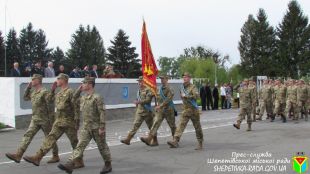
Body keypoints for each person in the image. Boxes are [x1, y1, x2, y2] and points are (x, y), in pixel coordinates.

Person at [22, 73, 83, 168]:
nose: (56, 81)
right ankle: (38, 157)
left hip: (69, 122)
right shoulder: (58, 93)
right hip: (58, 121)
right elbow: (50, 100)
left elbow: (76, 107)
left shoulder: (71, 92)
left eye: (58, 79)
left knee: (74, 143)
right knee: (50, 138)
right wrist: (53, 89)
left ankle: (79, 161)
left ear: (64, 80)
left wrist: (77, 121)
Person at [58, 77, 112, 174]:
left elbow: (102, 112)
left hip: (96, 127)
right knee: (80, 146)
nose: (82, 85)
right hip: (86, 127)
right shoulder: (83, 98)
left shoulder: (97, 97)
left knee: (102, 147)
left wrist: (102, 127)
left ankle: (108, 164)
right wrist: (79, 89)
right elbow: (73, 99)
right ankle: (70, 164)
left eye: (84, 83)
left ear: (90, 85)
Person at [5, 74, 59, 164]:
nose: (32, 81)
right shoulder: (33, 92)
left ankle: (55, 155)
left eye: (33, 79)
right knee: (28, 135)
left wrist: (52, 90)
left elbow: (50, 101)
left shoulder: (44, 91)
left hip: (45, 120)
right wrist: (28, 88)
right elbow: (25, 98)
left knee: (49, 138)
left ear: (38, 80)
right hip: (35, 119)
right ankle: (18, 155)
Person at [167, 72, 203, 150]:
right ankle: (175, 141)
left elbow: (197, 96)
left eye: (186, 77)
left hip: (193, 110)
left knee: (197, 127)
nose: (184, 78)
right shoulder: (181, 87)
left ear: (189, 78)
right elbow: (182, 97)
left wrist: (186, 96)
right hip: (186, 110)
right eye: (183, 77)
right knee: (180, 125)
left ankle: (200, 142)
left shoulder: (193, 87)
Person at [140, 74, 176, 146]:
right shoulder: (158, 89)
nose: (162, 80)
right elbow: (152, 94)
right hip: (160, 110)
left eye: (163, 79)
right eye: (161, 79)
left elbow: (168, 99)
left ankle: (175, 140)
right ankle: (149, 139)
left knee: (172, 126)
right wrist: (149, 91)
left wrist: (160, 106)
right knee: (156, 123)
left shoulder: (170, 88)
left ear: (167, 79)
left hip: (169, 110)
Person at [120, 76, 156, 145]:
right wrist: (137, 103)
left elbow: (148, 100)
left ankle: (155, 140)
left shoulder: (149, 90)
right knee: (135, 125)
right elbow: (138, 99)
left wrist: (139, 102)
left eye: (141, 81)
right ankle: (128, 139)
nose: (139, 83)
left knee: (151, 126)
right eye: (139, 82)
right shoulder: (139, 91)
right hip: (139, 112)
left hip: (147, 112)